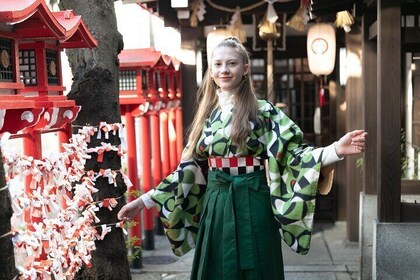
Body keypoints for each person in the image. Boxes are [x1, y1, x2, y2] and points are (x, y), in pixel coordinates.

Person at [118, 37, 367, 280]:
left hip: (254, 197)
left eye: (232, 63)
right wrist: (143, 202)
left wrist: (335, 149)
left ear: (245, 68)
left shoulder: (264, 111)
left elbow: (294, 154)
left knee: (259, 265)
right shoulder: (207, 115)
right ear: (211, 70)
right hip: (216, 203)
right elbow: (187, 170)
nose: (224, 70)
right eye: (217, 64)